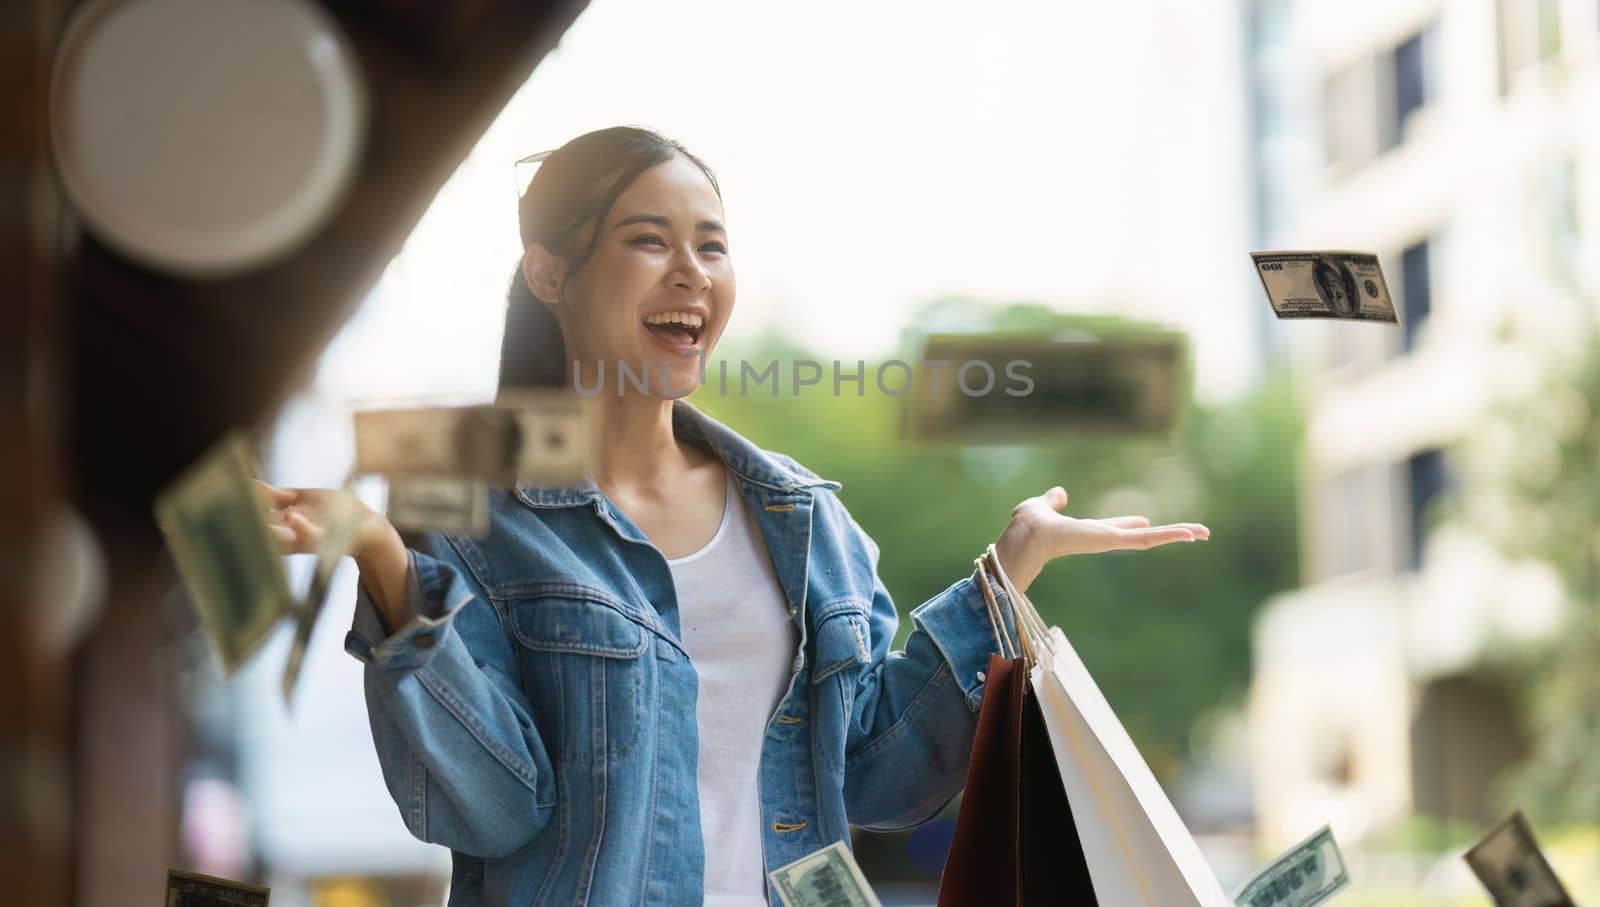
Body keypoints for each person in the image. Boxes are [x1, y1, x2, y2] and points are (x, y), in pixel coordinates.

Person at [259, 126, 1210, 906]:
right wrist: (384, 562)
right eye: (649, 240)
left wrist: (1005, 573)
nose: (691, 272)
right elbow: (493, 809)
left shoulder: (803, 521)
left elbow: (874, 778)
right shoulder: (472, 520)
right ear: (550, 273)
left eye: (711, 244)